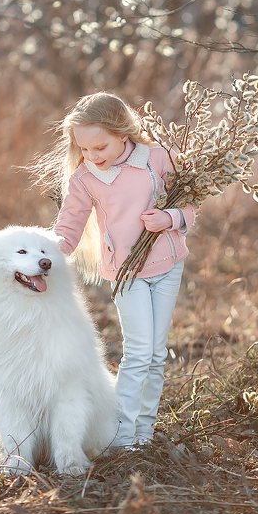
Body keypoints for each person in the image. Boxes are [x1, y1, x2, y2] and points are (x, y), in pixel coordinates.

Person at [31, 92, 196, 449]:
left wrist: (171, 217)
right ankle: (121, 436)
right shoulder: (85, 178)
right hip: (125, 272)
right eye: (85, 150)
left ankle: (145, 433)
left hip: (168, 265)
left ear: (123, 133)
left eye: (100, 147)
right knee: (138, 352)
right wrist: (49, 256)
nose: (93, 156)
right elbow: (69, 225)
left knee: (155, 353)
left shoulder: (157, 157)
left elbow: (190, 202)